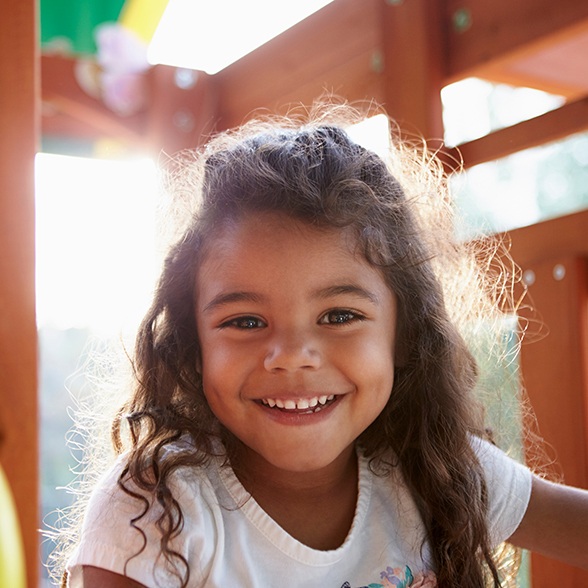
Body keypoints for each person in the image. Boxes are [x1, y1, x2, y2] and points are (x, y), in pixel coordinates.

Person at [60, 106, 588, 588]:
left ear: (402, 337)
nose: (291, 354)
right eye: (245, 321)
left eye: (339, 316)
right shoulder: (153, 509)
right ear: (193, 349)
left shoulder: (436, 470)